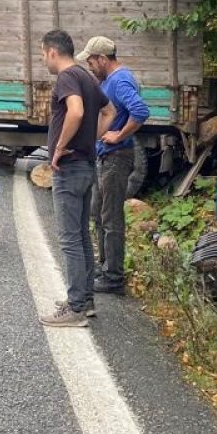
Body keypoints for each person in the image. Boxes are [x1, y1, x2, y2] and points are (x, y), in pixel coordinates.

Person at [38, 30, 107, 328]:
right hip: (87, 165)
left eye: (43, 54)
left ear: (53, 51)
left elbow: (75, 112)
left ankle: (76, 308)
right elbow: (110, 111)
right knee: (80, 236)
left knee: (69, 240)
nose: (44, 60)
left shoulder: (67, 77)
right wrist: (89, 141)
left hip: (69, 168)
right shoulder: (88, 77)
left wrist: (62, 147)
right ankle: (85, 300)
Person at [79, 36, 150, 296]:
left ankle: (114, 277)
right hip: (105, 156)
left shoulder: (120, 80)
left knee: (110, 217)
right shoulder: (109, 80)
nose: (89, 65)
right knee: (98, 212)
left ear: (102, 58)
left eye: (90, 60)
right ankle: (105, 265)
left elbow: (140, 111)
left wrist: (119, 135)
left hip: (117, 156)